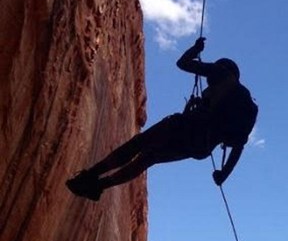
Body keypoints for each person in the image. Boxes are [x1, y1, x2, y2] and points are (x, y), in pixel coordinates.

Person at [66, 37, 258, 201]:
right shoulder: (245, 105)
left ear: (224, 68)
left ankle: (90, 176)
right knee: (150, 157)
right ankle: (100, 186)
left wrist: (195, 49)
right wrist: (223, 175)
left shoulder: (221, 73)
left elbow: (182, 63)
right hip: (200, 147)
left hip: (185, 127)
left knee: (139, 144)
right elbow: (237, 147)